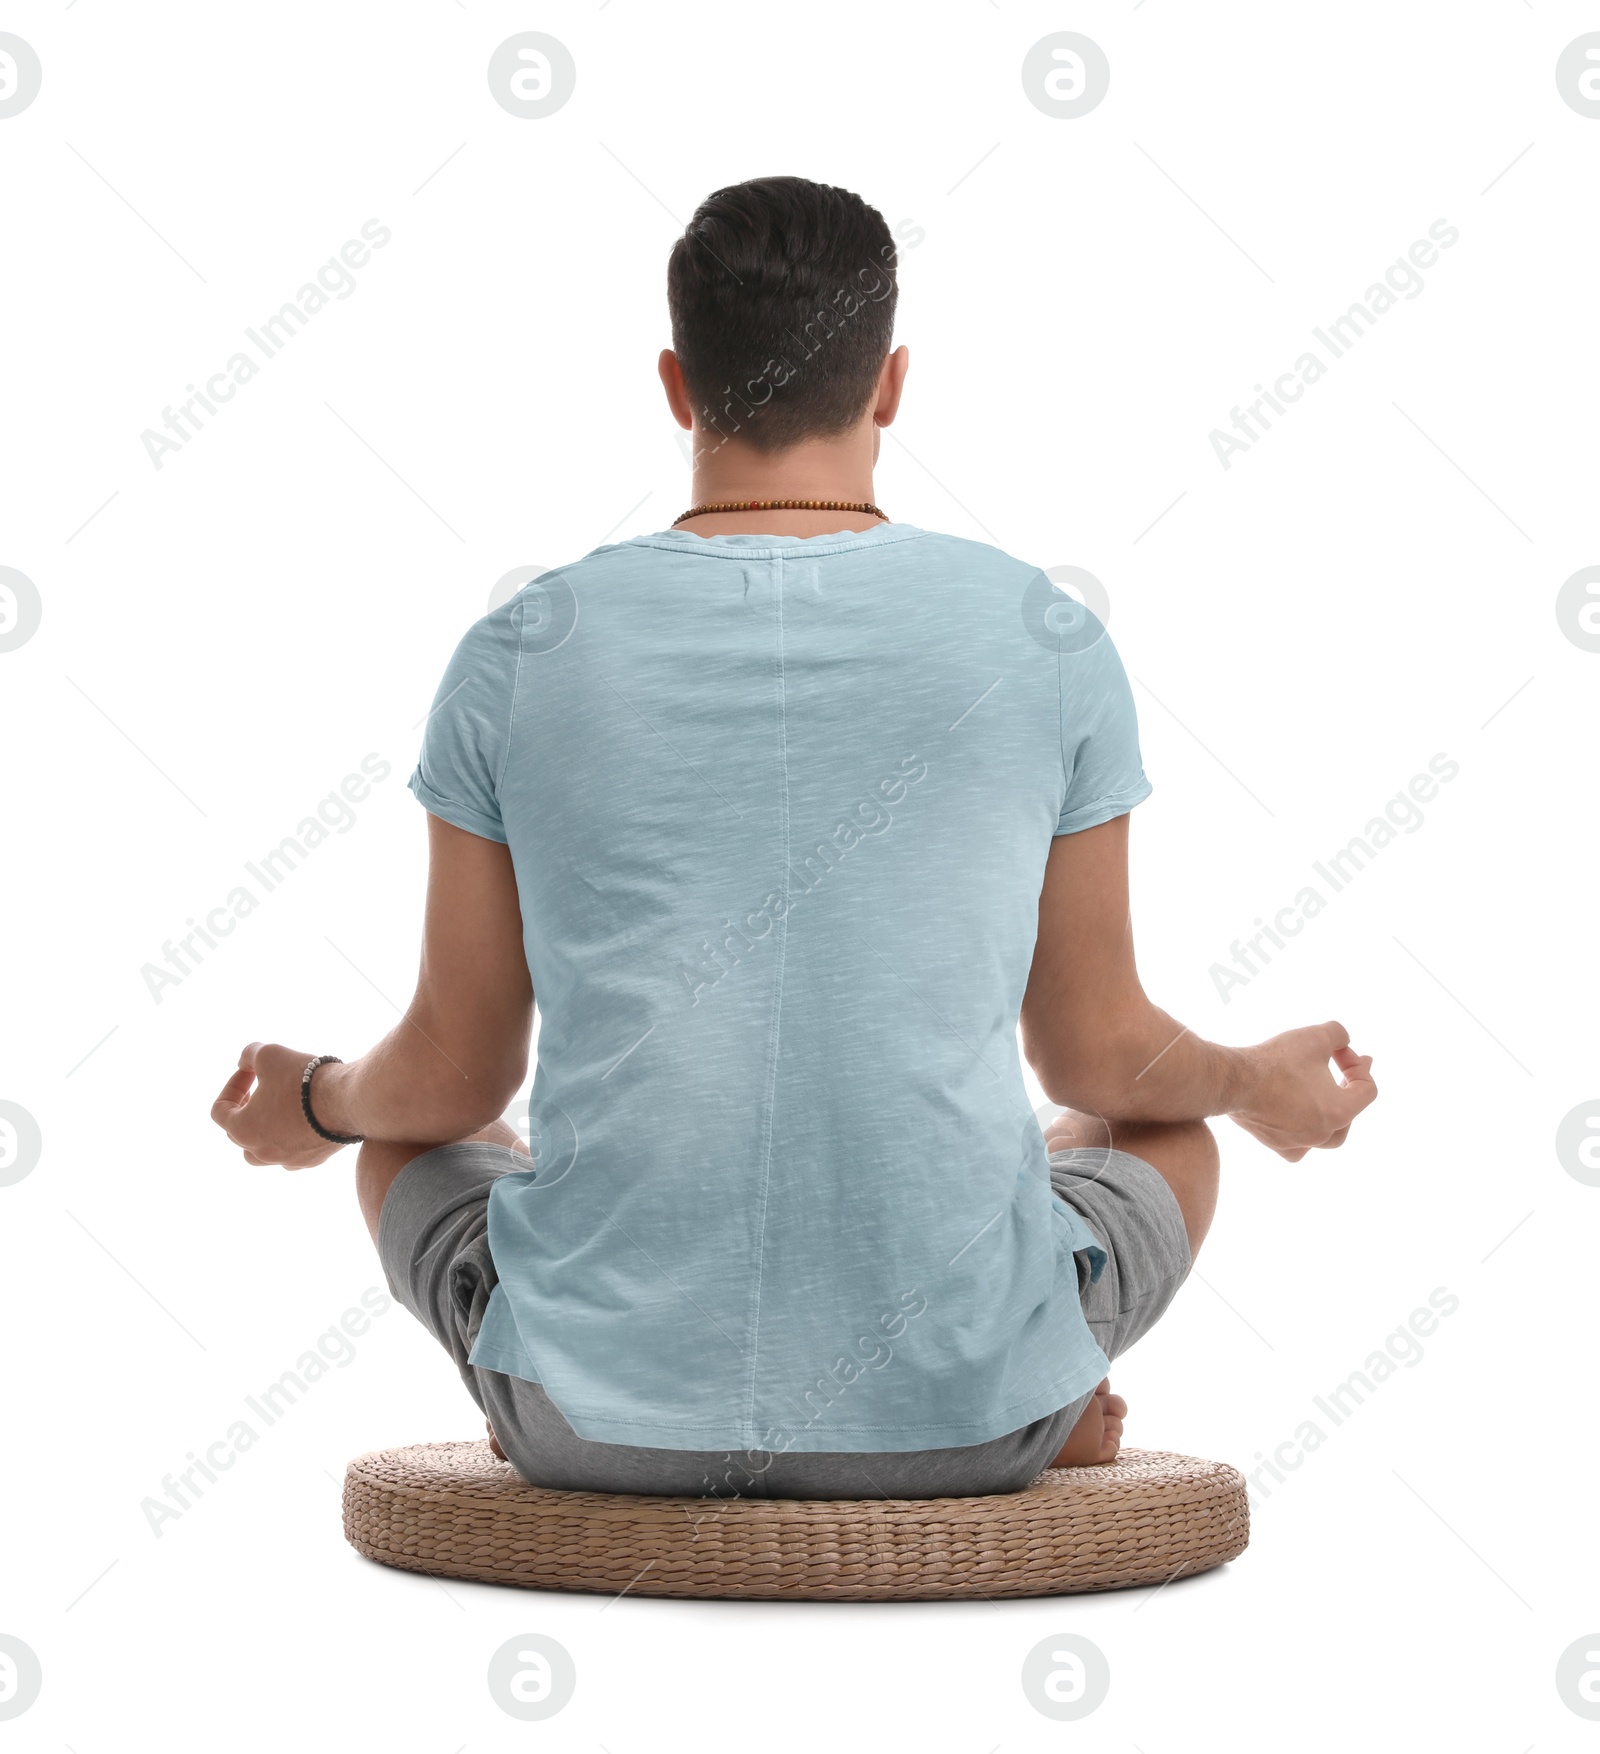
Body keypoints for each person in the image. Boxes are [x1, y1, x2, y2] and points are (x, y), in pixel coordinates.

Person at [212, 176, 1376, 1500]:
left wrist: (317, 1099)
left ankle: (590, 1376)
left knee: (410, 1146)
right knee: (1158, 1135)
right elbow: (1098, 1050)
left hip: (585, 1424)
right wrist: (1256, 1077)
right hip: (965, 1420)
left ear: (673, 383)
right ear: (888, 385)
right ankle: (1036, 1386)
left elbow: (450, 1078)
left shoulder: (519, 652)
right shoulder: (1045, 636)